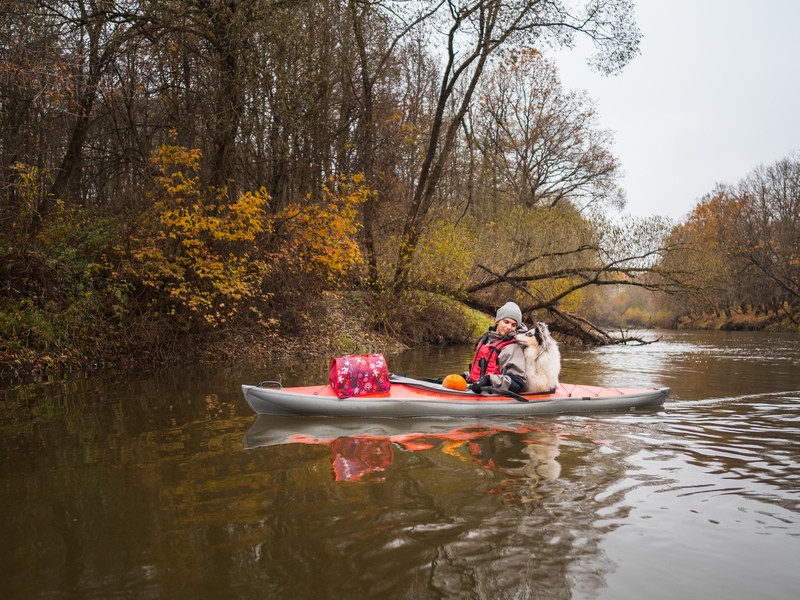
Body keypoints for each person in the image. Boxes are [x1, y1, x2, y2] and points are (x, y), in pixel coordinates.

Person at [466, 301, 527, 394]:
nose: (509, 327)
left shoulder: (512, 347)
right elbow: (481, 371)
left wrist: (488, 380)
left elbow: (517, 382)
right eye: (506, 322)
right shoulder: (486, 340)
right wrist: (464, 376)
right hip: (478, 389)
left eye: (513, 325)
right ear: (498, 321)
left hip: (496, 393)